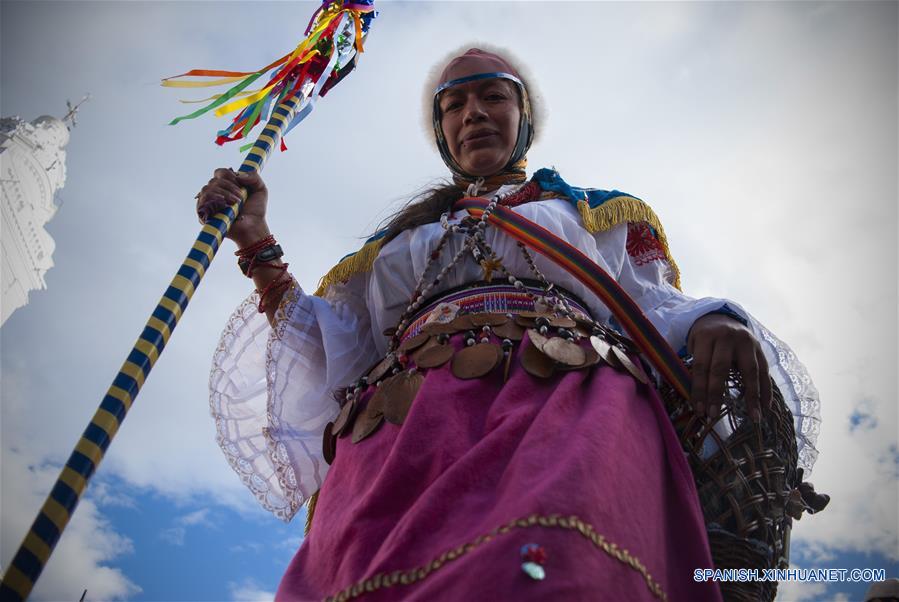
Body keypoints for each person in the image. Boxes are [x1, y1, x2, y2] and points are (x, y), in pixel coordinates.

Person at [197, 46, 820, 601]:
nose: (474, 113)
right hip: (403, 427)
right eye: (455, 104)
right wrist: (255, 241)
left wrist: (713, 321)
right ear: (442, 131)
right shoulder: (392, 248)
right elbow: (333, 353)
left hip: (565, 401)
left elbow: (653, 304)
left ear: (524, 118)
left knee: (553, 561)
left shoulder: (590, 213)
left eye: (494, 95)